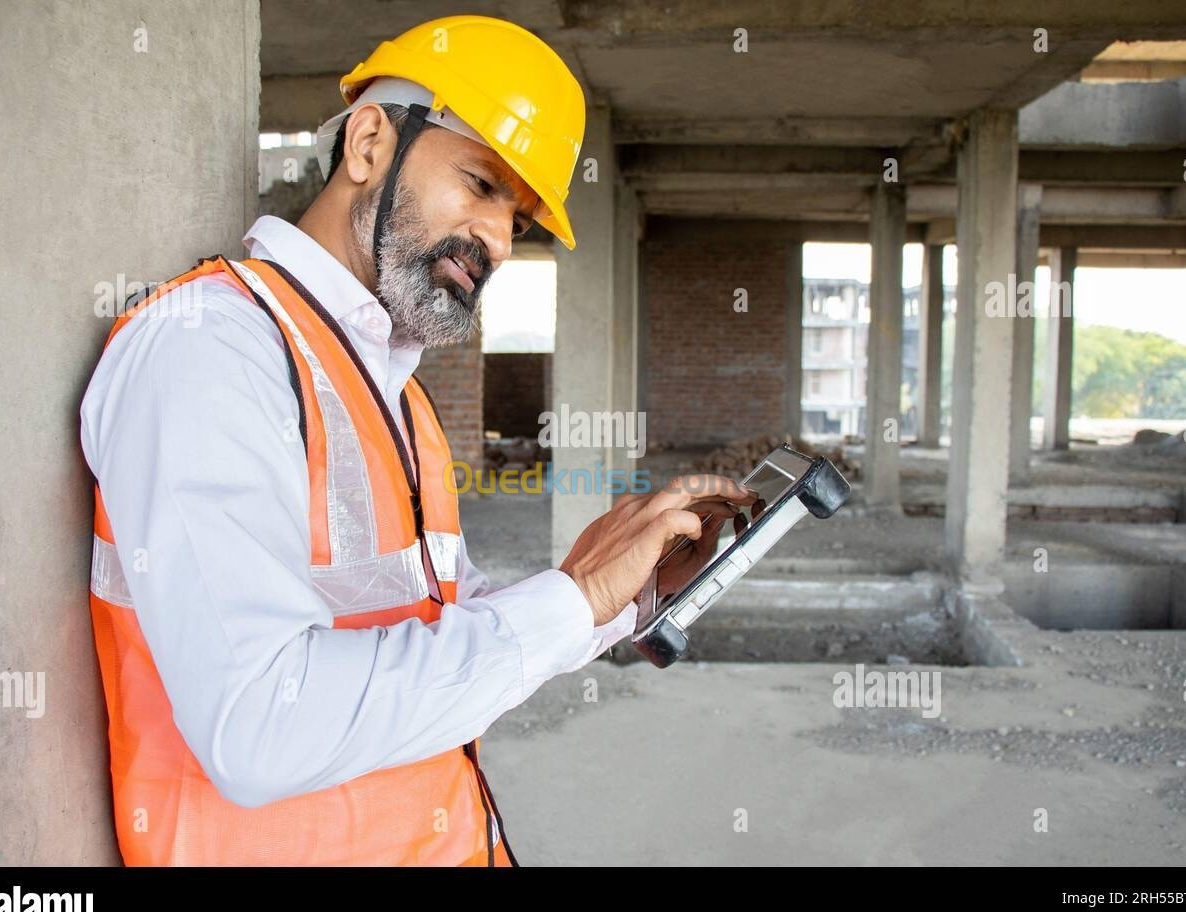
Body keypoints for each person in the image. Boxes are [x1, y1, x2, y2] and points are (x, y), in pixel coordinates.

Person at [80, 13, 752, 867]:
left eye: (519, 217)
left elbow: (437, 625)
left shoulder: (392, 390)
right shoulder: (211, 347)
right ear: (368, 142)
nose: (500, 242)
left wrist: (606, 598)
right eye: (479, 183)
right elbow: (258, 725)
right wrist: (570, 600)